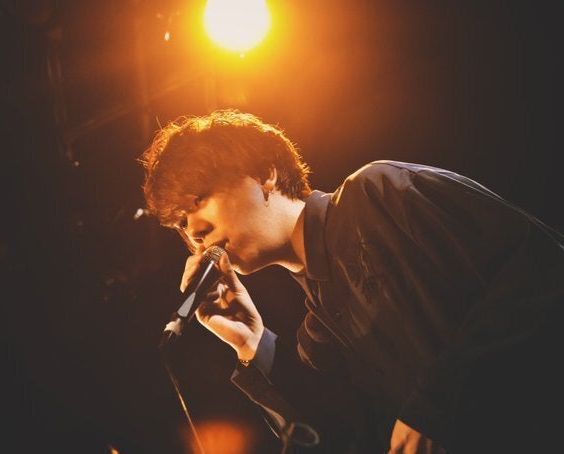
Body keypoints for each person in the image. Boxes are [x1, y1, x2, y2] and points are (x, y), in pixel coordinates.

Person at [139, 109, 564, 453]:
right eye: (180, 222)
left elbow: (542, 268)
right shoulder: (317, 336)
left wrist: (437, 405)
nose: (193, 231)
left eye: (198, 200)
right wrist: (252, 342)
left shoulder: (378, 193)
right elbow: (336, 438)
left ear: (266, 174)